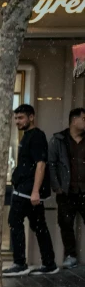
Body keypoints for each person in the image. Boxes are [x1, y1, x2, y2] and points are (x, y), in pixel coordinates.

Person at [3, 104, 57, 277]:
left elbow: (41, 164)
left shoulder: (37, 137)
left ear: (31, 117)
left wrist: (35, 191)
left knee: (14, 221)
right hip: (26, 189)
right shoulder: (27, 136)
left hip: (27, 191)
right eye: (16, 118)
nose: (17, 121)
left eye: (21, 118)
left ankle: (20, 263)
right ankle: (49, 264)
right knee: (39, 225)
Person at [50, 107, 85, 269]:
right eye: (83, 119)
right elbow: (52, 164)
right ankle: (71, 256)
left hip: (84, 191)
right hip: (66, 191)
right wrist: (57, 187)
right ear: (74, 120)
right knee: (66, 224)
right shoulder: (59, 139)